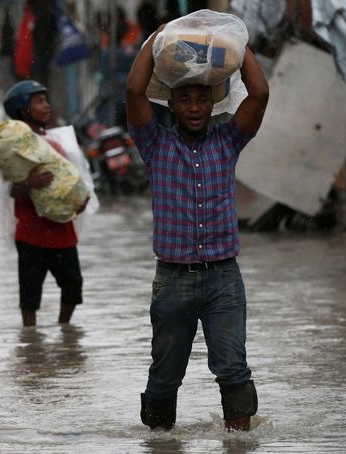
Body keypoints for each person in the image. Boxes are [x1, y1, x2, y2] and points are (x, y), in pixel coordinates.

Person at [125, 24, 269, 431]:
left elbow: (259, 94)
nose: (193, 107)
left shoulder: (228, 142)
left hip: (224, 277)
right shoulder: (155, 144)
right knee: (165, 376)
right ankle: (159, 442)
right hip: (172, 279)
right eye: (185, 99)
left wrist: (240, 48)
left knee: (234, 371)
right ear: (171, 103)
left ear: (212, 103)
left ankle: (239, 442)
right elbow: (134, 92)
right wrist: (157, 37)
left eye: (201, 100)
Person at [3, 80, 89, 327]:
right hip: (31, 233)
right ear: (23, 110)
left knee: (73, 286)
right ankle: (30, 338)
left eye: (46, 100)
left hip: (63, 230)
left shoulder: (59, 141)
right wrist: (30, 183)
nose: (47, 106)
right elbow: (10, 190)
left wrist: (80, 201)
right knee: (30, 294)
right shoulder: (15, 147)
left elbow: (74, 180)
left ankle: (64, 330)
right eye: (39, 102)